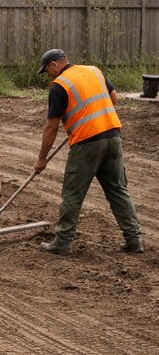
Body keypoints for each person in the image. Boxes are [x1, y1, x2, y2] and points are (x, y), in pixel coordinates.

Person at [34, 48, 143, 256]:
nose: (48, 75)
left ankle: (63, 242)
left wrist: (41, 159)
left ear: (54, 65)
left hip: (87, 144)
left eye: (47, 71)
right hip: (113, 137)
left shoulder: (59, 85)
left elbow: (51, 127)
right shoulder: (93, 70)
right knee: (118, 190)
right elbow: (113, 98)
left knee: (73, 193)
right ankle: (134, 240)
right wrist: (88, 117)